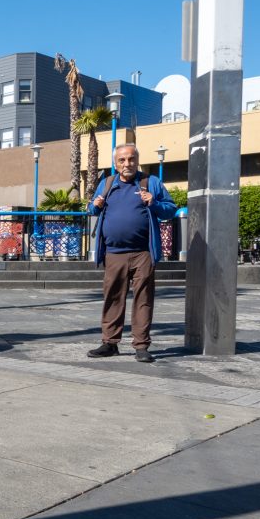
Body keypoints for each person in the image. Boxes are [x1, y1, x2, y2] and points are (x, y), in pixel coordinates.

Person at [87, 143, 177, 363]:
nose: (127, 164)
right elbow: (92, 209)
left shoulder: (151, 182)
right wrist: (94, 205)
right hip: (113, 253)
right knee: (112, 298)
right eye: (122, 160)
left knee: (143, 299)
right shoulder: (107, 183)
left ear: (137, 160)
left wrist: (154, 202)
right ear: (115, 163)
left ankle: (141, 345)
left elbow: (171, 209)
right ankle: (110, 343)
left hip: (142, 253)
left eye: (131, 159)